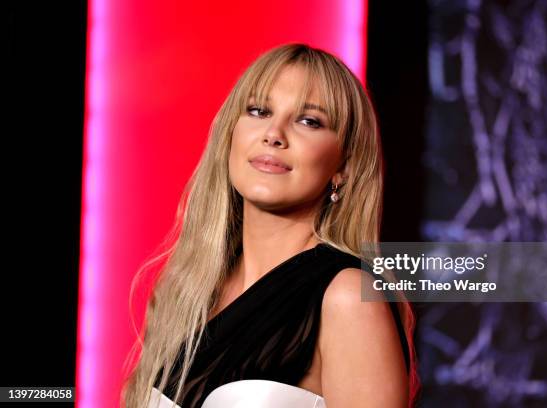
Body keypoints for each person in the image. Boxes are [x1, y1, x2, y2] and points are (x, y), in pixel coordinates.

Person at [121, 43, 419, 408]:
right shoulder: (186, 292)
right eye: (259, 111)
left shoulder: (347, 296)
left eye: (309, 121)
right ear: (231, 133)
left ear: (344, 167)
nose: (274, 134)